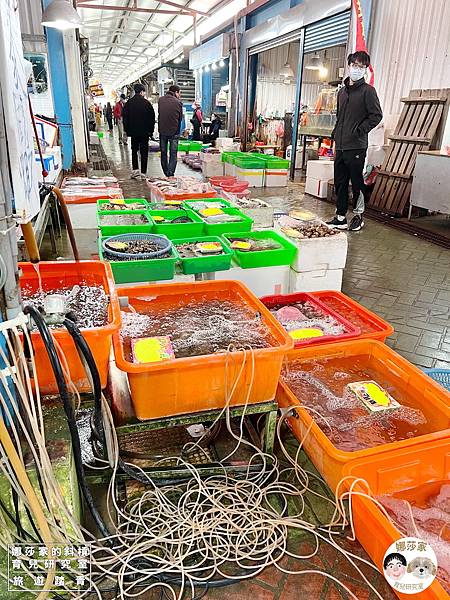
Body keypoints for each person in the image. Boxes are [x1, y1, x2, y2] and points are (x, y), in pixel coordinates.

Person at [327, 51, 382, 232]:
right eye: (355, 65)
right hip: (341, 145)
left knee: (356, 182)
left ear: (365, 69)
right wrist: (336, 134)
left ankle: (359, 215)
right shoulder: (342, 92)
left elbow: (376, 116)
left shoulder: (368, 91)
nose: (357, 69)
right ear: (349, 65)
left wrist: (359, 131)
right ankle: (340, 216)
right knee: (340, 182)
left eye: (362, 67)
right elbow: (340, 116)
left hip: (356, 146)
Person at [122, 83, 155, 179]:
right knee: (144, 152)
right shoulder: (147, 103)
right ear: (141, 92)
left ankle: (135, 171)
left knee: (134, 150)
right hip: (144, 133)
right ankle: (143, 173)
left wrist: (127, 130)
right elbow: (151, 119)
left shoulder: (129, 103)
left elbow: (125, 118)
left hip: (134, 133)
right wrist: (151, 132)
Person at [158, 84, 183, 177]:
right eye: (179, 93)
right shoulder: (178, 102)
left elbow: (160, 114)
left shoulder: (160, 100)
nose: (180, 95)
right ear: (176, 92)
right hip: (174, 132)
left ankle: (165, 172)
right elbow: (180, 118)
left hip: (162, 131)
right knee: (173, 153)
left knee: (163, 152)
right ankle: (170, 173)